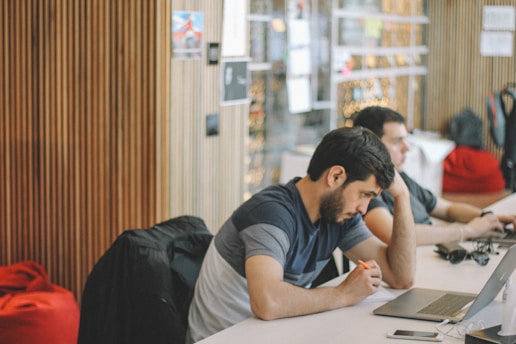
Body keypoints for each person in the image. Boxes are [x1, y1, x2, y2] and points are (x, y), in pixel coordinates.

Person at [187, 126, 416, 343]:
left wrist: (402, 197)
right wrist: (343, 294)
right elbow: (268, 301)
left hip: (275, 335)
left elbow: (400, 276)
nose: (363, 209)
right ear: (335, 176)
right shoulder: (270, 213)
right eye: (363, 194)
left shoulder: (338, 216)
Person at [352, 106, 516, 245]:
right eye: (397, 141)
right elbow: (393, 234)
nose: (407, 147)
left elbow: (447, 209)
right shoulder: (368, 189)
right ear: (373, 145)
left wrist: (490, 218)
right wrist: (468, 231)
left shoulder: (400, 177)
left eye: (406, 139)